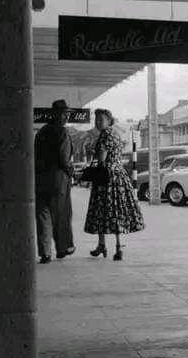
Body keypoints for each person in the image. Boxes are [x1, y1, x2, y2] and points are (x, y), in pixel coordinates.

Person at [84, 109, 144, 260]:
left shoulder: (104, 135)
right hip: (119, 176)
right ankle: (118, 247)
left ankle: (102, 245)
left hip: (106, 177)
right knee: (116, 211)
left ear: (109, 121)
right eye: (96, 119)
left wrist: (93, 151)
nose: (98, 122)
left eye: (101, 119)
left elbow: (102, 158)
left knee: (101, 210)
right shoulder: (116, 134)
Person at [34, 99, 75, 263]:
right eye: (63, 114)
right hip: (58, 180)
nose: (66, 117)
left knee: (43, 216)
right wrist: (71, 171)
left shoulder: (41, 132)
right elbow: (64, 158)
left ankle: (45, 252)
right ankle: (62, 248)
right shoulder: (62, 132)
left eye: (67, 114)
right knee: (60, 215)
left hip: (40, 179)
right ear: (55, 114)